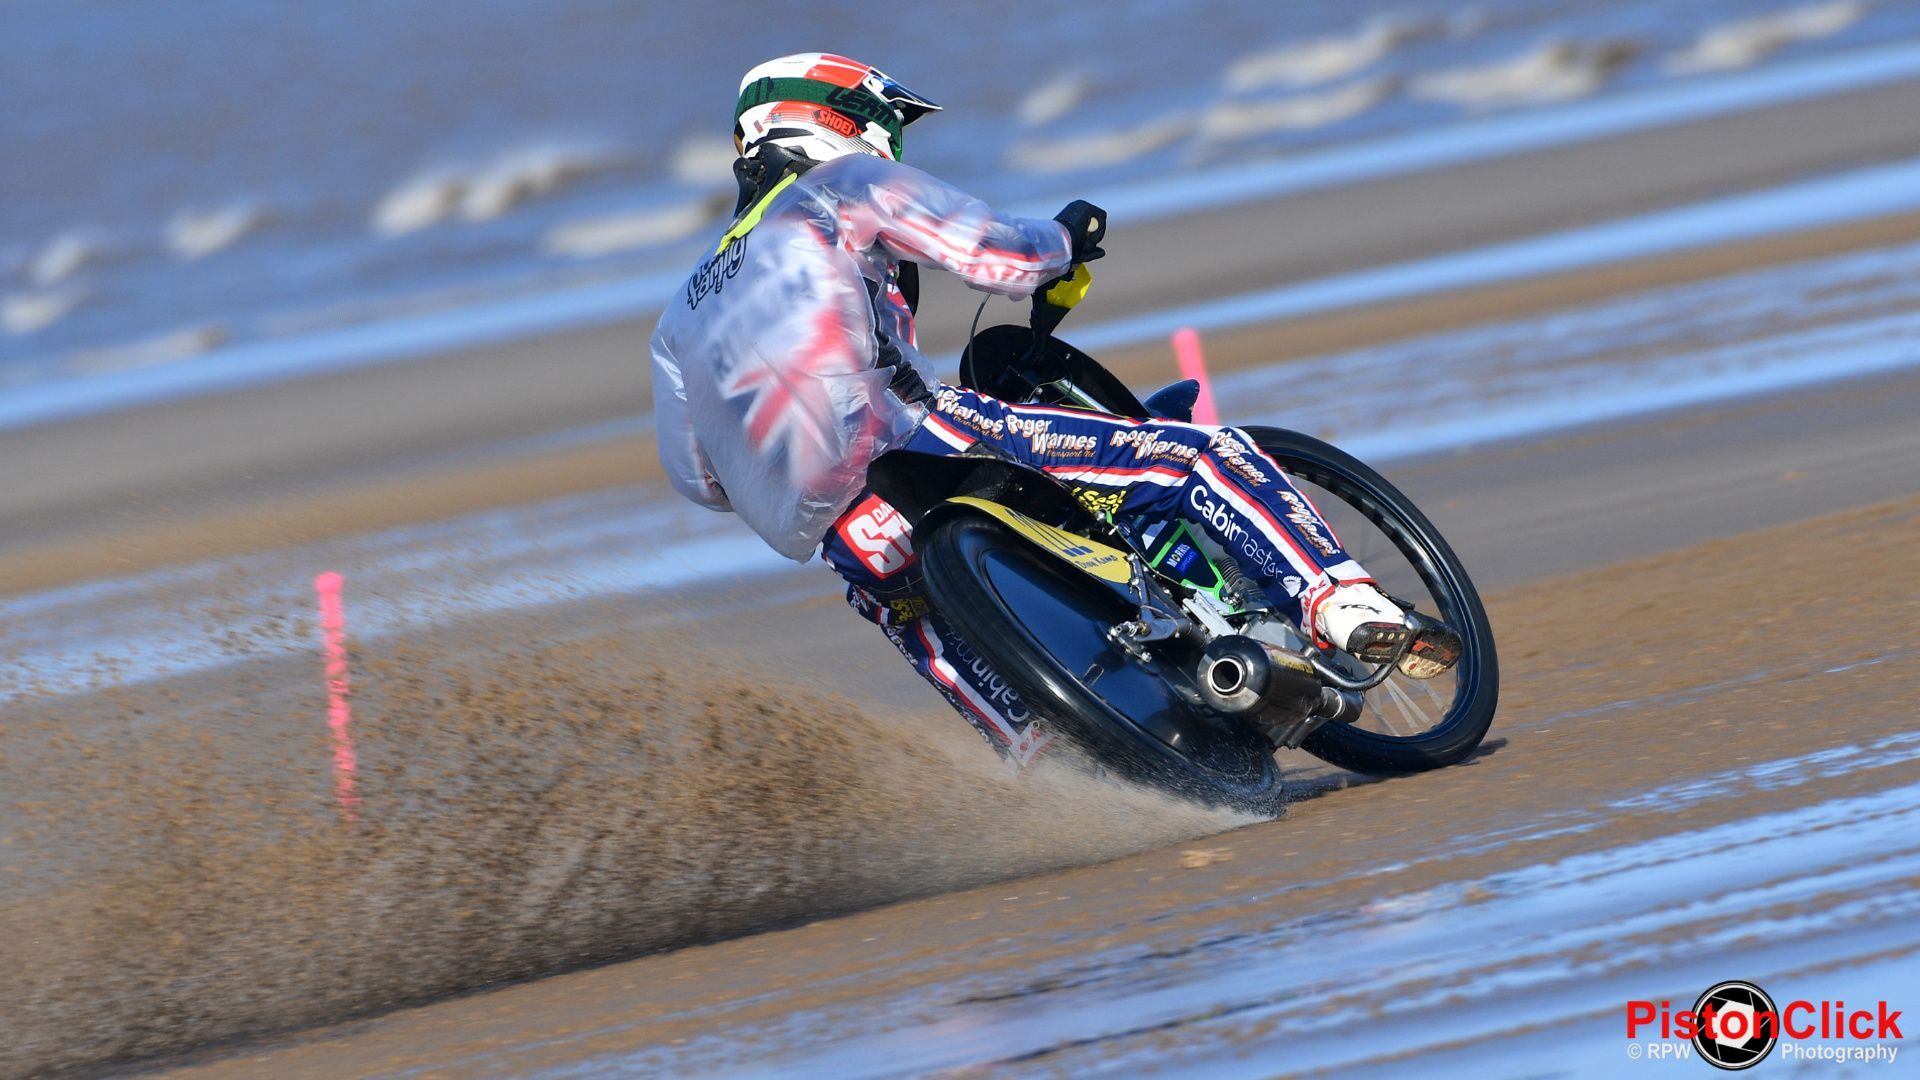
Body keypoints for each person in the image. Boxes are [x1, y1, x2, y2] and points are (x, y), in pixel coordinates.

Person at [651, 53, 1457, 764]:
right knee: (1191, 459)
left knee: (940, 641)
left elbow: (699, 479)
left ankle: (1069, 783)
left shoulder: (679, 312)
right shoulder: (836, 189)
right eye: (881, 125)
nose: (890, 145)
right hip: (917, 440)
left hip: (837, 532)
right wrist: (1067, 239)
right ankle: (1343, 605)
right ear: (830, 120)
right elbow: (994, 254)